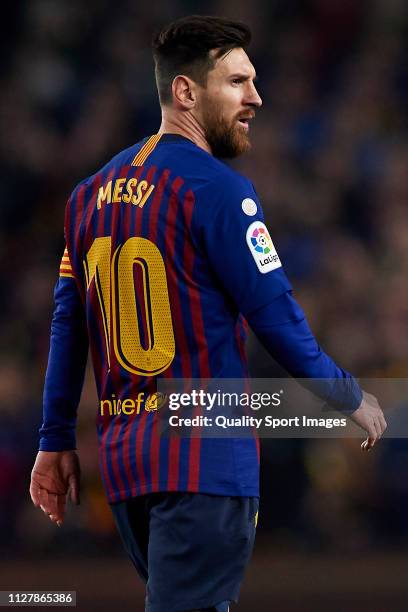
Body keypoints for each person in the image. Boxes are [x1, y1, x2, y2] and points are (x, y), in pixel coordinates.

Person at [29, 15, 387, 612]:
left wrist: (54, 438)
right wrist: (347, 395)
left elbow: (71, 326)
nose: (256, 98)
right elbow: (276, 318)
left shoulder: (86, 196)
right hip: (203, 464)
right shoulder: (222, 192)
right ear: (186, 92)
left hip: (127, 472)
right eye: (239, 82)